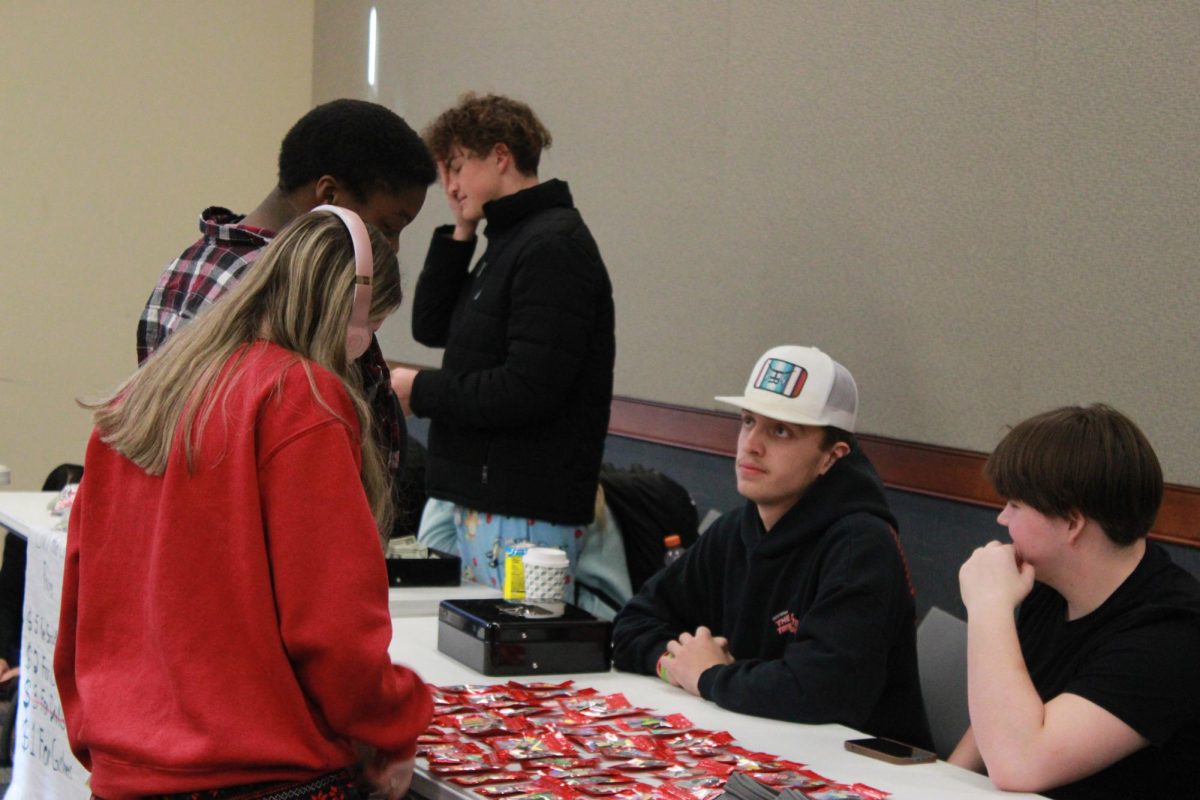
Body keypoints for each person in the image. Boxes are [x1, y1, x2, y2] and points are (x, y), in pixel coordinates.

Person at [56, 208, 432, 799]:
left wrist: (101, 733)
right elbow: (332, 625)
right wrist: (395, 721)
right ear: (351, 316)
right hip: (257, 773)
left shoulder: (142, 398)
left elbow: (83, 599)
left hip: (127, 765)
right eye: (372, 328)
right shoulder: (301, 396)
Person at [137, 98, 436, 535]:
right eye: (387, 227)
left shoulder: (186, 267)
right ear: (329, 197)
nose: (390, 249)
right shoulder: (303, 292)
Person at [611, 346, 931, 748]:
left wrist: (710, 677)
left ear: (831, 457)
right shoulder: (737, 527)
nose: (752, 444)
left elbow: (823, 691)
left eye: (780, 431)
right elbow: (631, 624)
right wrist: (674, 665)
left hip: (861, 771)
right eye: (748, 422)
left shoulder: (860, 546)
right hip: (755, 745)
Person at [391, 92, 615, 596]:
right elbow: (430, 326)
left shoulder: (552, 245)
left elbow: (528, 387)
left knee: (512, 665)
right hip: (477, 495)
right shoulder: (510, 241)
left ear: (500, 156)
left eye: (456, 166)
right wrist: (462, 229)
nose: (448, 185)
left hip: (524, 508)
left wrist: (420, 391)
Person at [949, 404, 1200, 799]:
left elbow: (1022, 764)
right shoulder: (1048, 589)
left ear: (1071, 522)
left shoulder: (1173, 632)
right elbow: (1002, 712)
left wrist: (988, 608)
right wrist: (941, 782)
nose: (1002, 519)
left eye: (1015, 504)